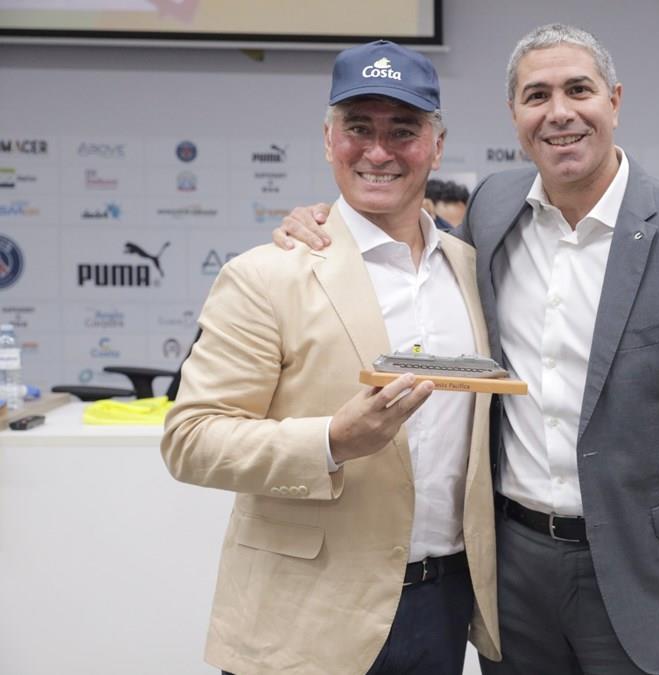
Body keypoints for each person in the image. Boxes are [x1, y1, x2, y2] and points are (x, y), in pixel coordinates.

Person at [274, 24, 659, 675]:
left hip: (649, 572)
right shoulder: (493, 208)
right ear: (515, 115)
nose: (559, 112)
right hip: (513, 570)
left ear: (615, 101)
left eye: (579, 90)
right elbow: (403, 239)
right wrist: (321, 221)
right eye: (537, 95)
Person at [162, 40, 500, 675]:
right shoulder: (266, 275)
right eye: (358, 128)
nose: (378, 151)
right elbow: (191, 439)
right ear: (327, 139)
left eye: (403, 131)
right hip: (304, 617)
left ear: (436, 145)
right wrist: (331, 442)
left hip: (445, 606)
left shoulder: (475, 270)